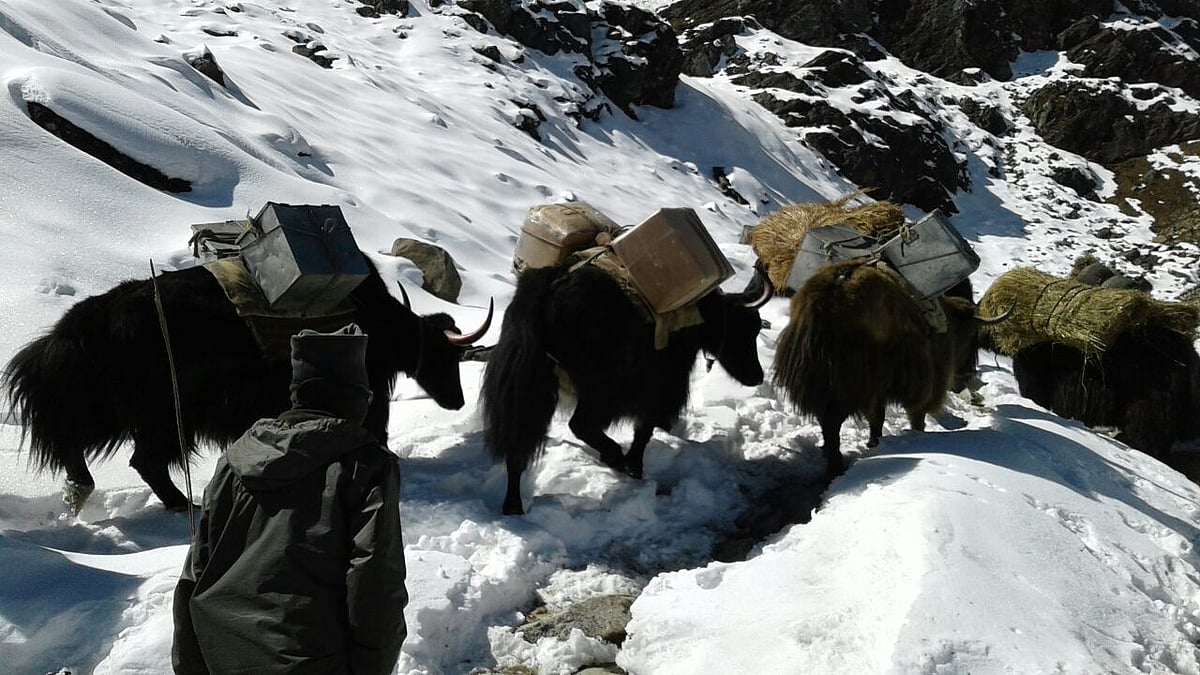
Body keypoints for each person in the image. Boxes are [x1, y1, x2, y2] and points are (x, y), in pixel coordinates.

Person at [173, 323, 408, 674]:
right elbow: (375, 586)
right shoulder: (364, 467)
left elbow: (195, 574)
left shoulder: (234, 462)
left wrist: (191, 664)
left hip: (223, 654)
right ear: (357, 397)